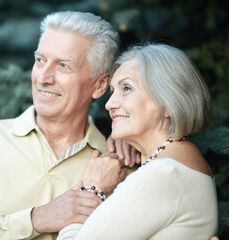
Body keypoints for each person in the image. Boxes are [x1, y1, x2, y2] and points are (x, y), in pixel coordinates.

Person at [0, 11, 131, 240]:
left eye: (63, 66)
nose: (43, 77)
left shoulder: (118, 168)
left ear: (99, 86)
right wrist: (36, 219)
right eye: (40, 60)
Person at [57, 43, 218, 239]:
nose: (109, 104)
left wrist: (90, 193)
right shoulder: (179, 163)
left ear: (167, 103)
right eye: (112, 91)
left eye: (126, 88)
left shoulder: (162, 175)